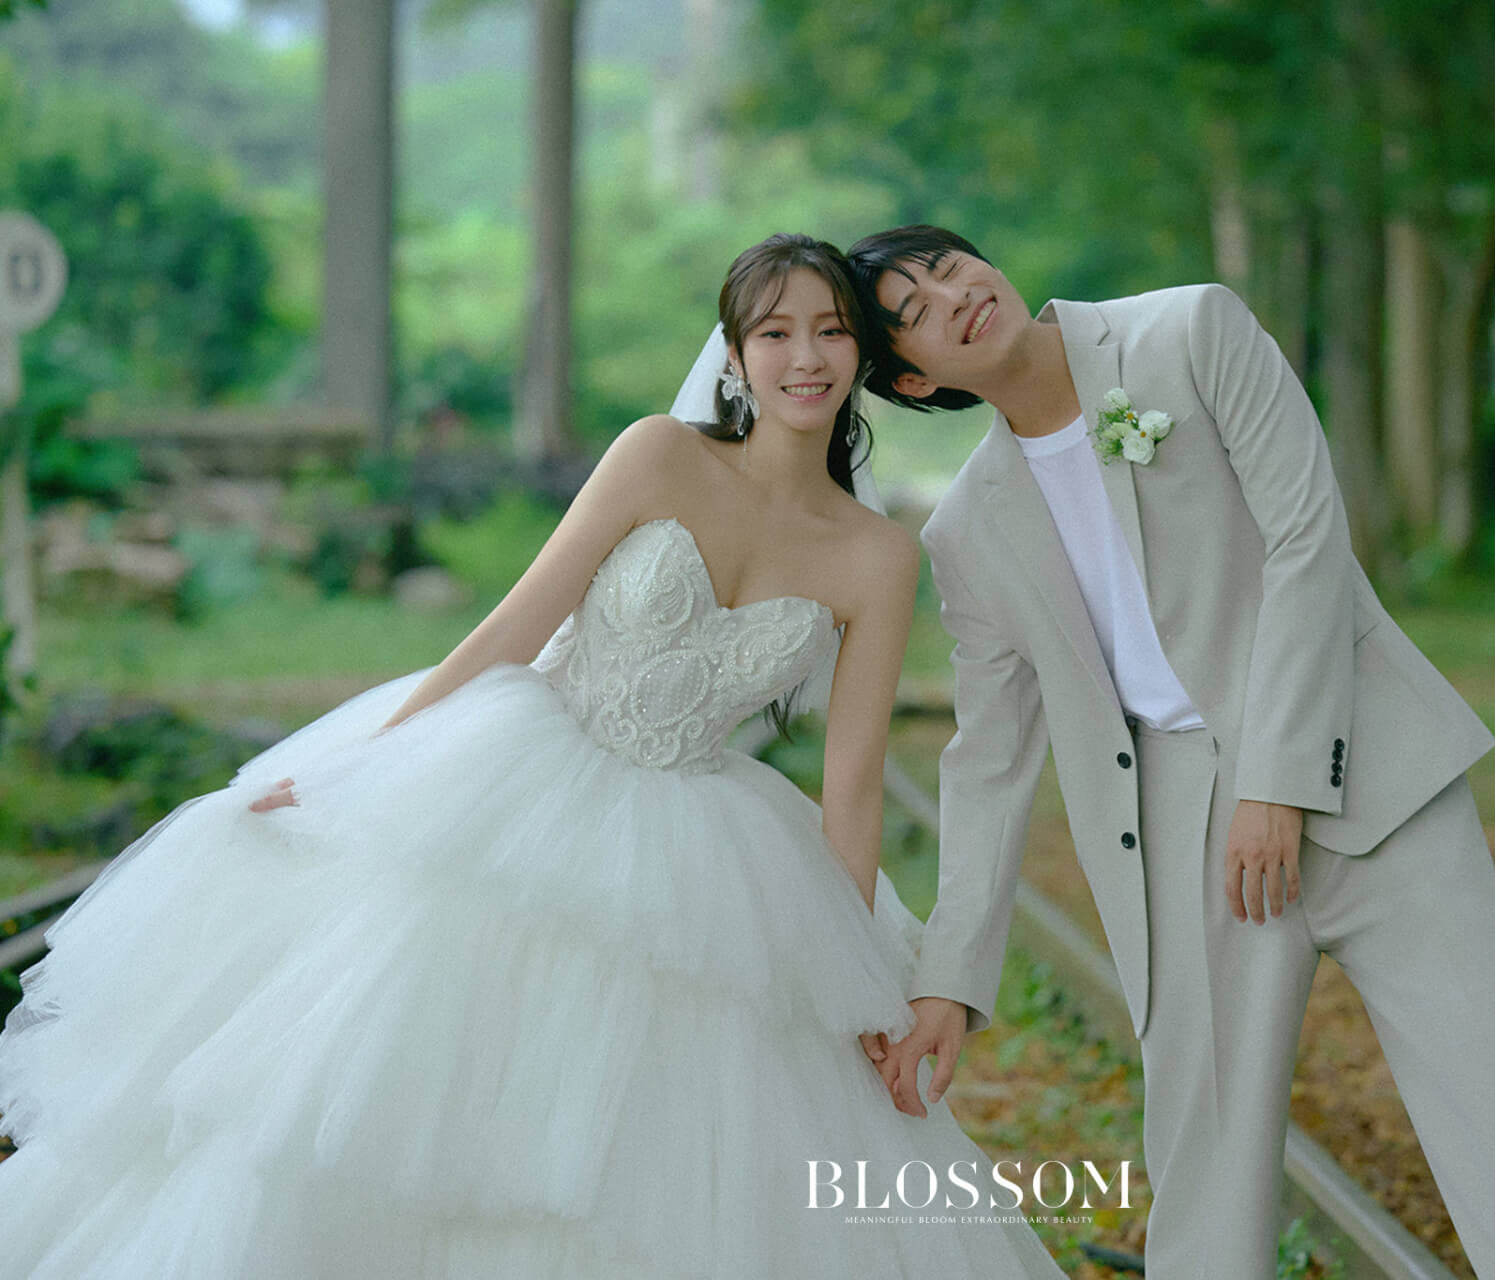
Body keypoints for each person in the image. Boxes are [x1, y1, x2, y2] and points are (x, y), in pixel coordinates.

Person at [0, 234, 1069, 1280]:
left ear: (863, 357)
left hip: (708, 858)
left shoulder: (877, 555)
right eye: (775, 332)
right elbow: (513, 627)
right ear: (736, 357)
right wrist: (353, 770)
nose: (806, 356)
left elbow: (851, 790)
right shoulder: (659, 452)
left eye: (831, 331)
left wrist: (850, 984)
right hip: (522, 789)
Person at [847, 225, 1495, 1280]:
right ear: (915, 380)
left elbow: (1307, 539)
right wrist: (950, 980)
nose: (952, 295)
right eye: (914, 311)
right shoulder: (968, 529)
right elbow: (988, 759)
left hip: (1369, 776)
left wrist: (1277, 782)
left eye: (949, 266)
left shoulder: (1191, 331)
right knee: (1208, 1175)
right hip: (1180, 846)